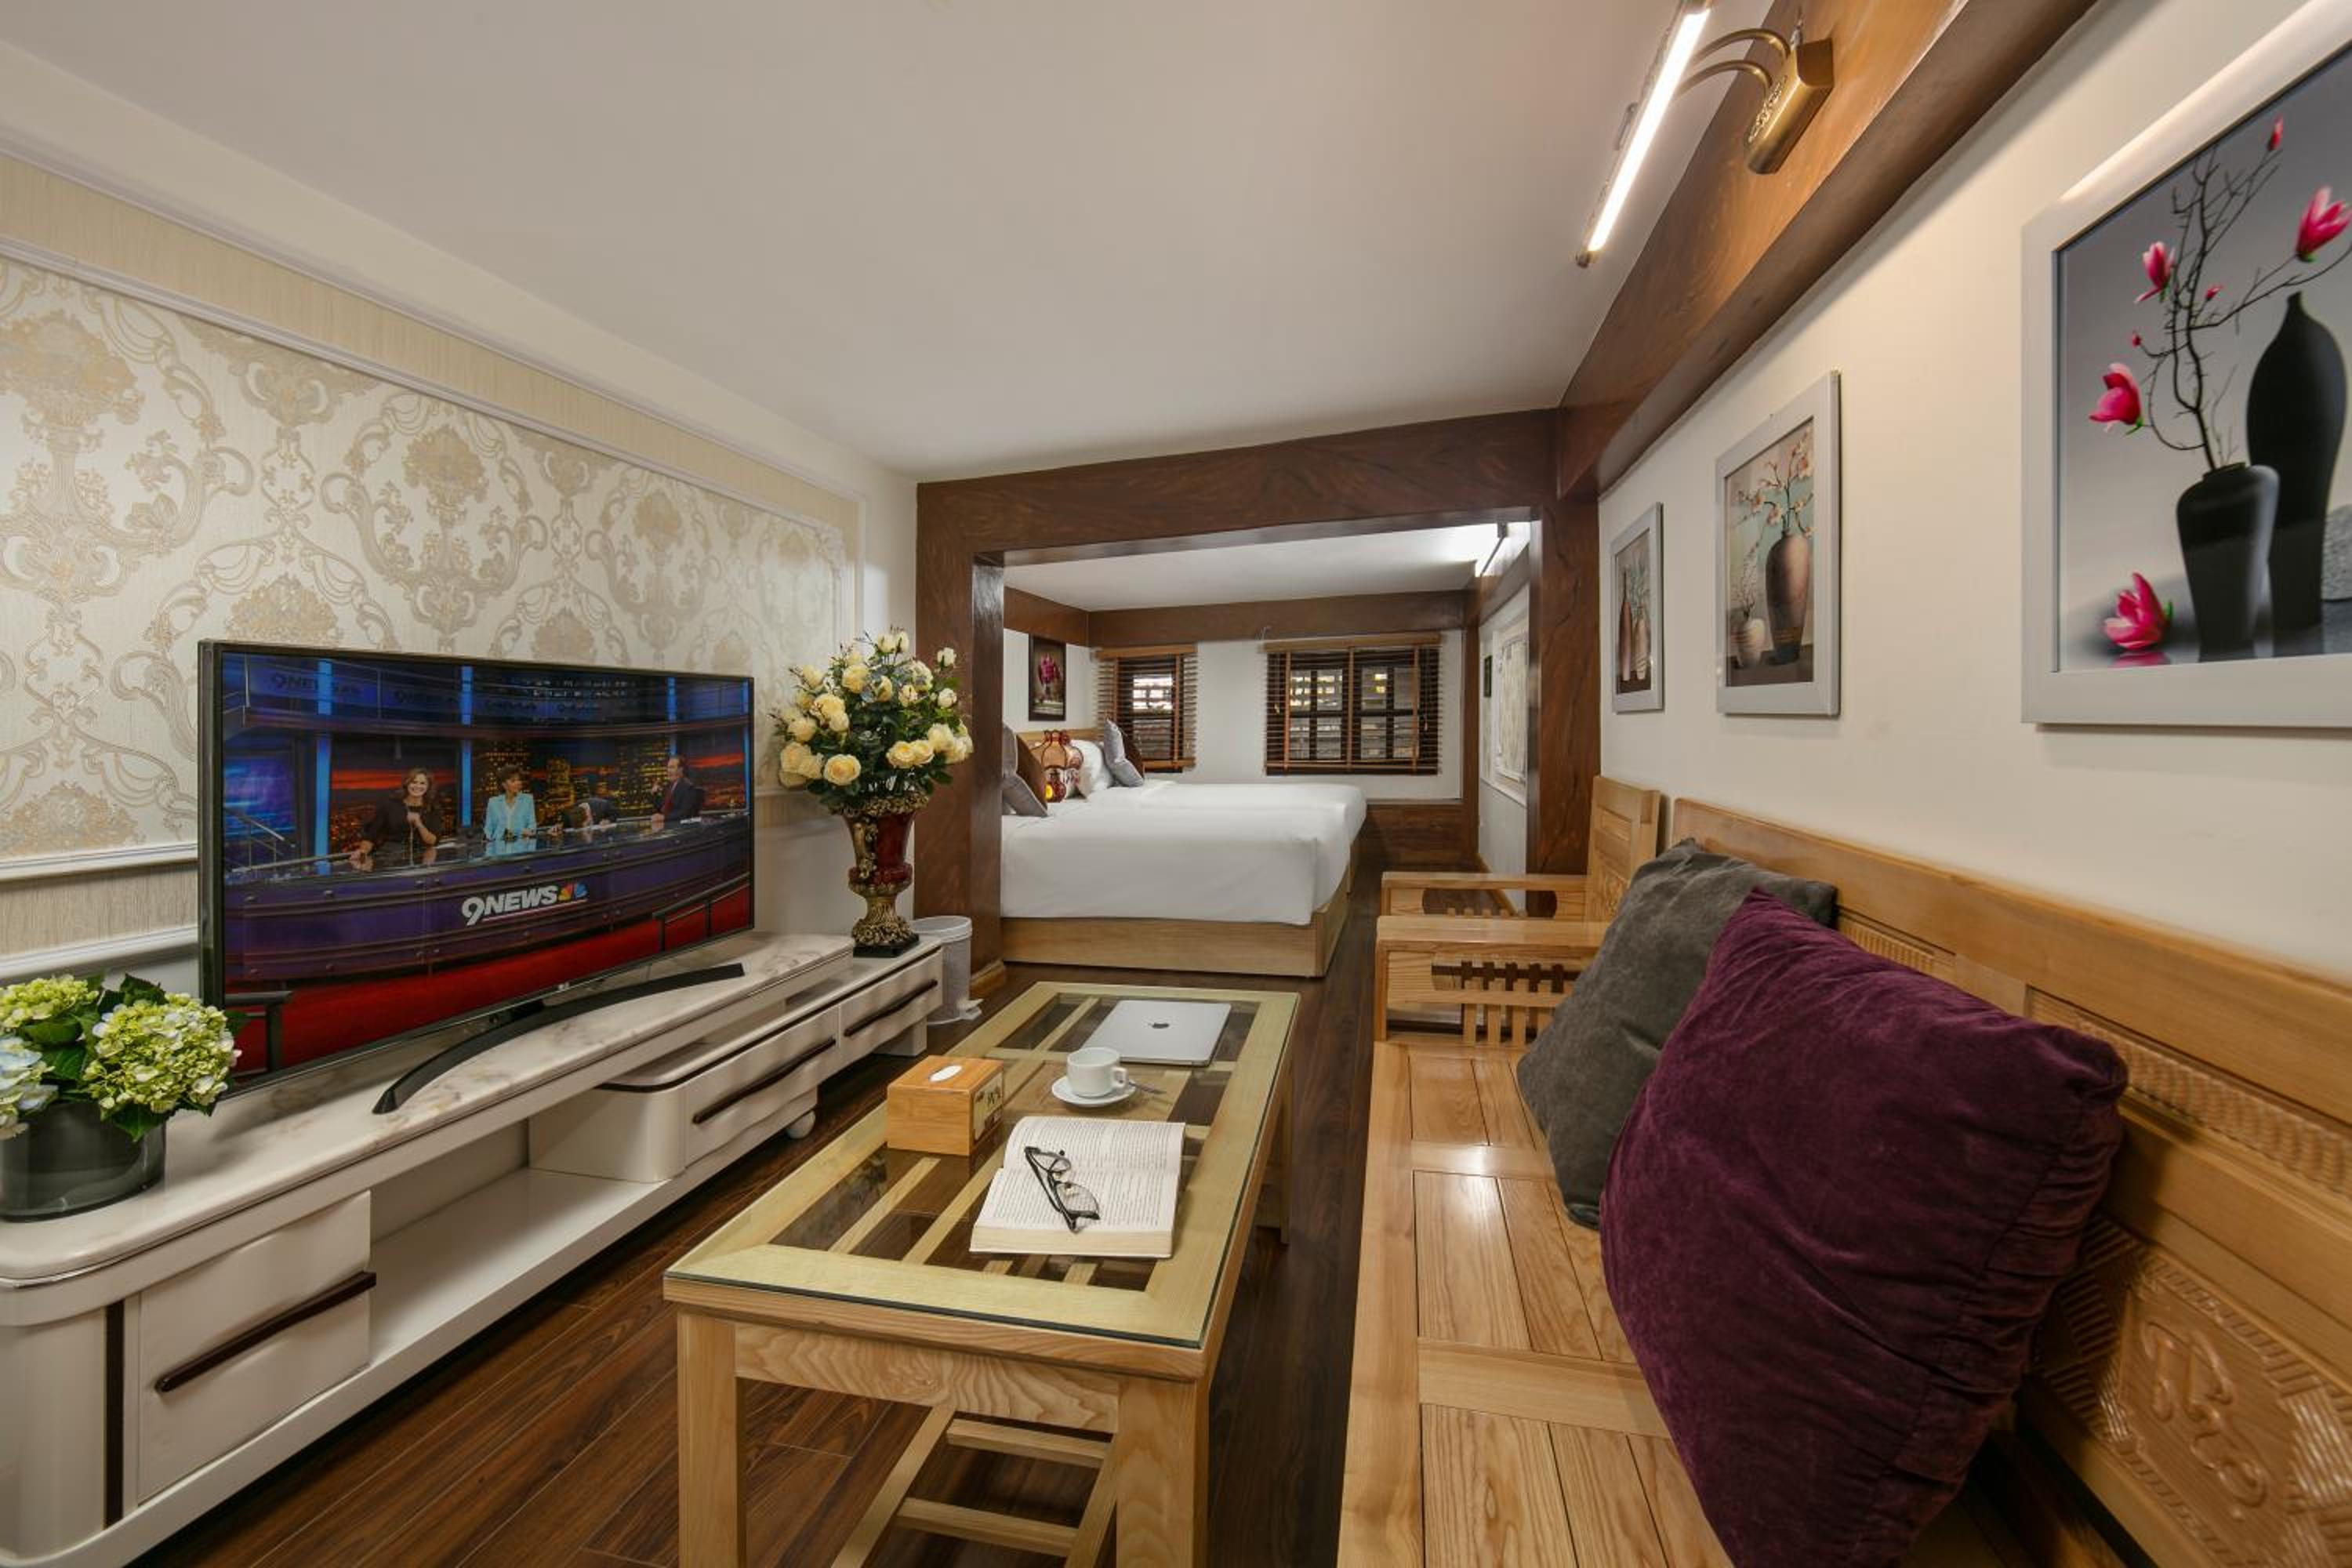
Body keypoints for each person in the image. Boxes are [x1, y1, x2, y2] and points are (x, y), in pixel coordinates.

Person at [350, 766, 445, 870]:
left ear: (428, 787)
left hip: (421, 858)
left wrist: (419, 824)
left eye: (423, 783)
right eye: (414, 782)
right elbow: (371, 836)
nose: (418, 786)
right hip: (389, 855)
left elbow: (433, 841)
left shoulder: (433, 808)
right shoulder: (390, 805)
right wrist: (363, 852)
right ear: (407, 784)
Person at [482, 765, 537, 858]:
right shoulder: (493, 802)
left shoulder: (528, 800)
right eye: (513, 781)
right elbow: (488, 830)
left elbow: (532, 827)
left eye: (519, 780)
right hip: (498, 854)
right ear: (504, 785)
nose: (518, 783)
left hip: (521, 853)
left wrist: (530, 855)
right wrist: (489, 856)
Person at [649, 753, 704, 832]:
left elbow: (685, 813)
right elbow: (661, 807)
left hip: (682, 831)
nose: (668, 770)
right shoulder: (669, 787)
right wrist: (655, 794)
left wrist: (664, 818)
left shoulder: (688, 788)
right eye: (668, 767)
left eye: (672, 767)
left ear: (680, 770)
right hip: (667, 830)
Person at [546, 795, 620, 843]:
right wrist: (556, 828)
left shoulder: (603, 805)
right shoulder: (569, 814)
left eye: (587, 825)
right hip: (580, 844)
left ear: (588, 815)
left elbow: (616, 815)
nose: (585, 831)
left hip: (601, 841)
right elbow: (561, 825)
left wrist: (608, 820)